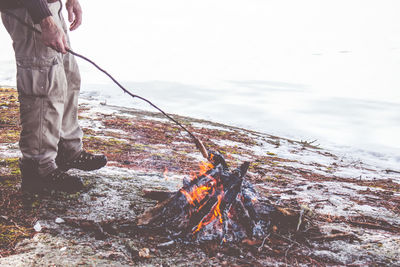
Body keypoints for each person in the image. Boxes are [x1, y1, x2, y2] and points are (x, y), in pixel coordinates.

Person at [0, 0, 107, 193]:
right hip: (29, 10)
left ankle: (66, 149)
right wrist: (45, 21)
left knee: (68, 77)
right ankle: (38, 167)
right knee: (43, 86)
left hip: (48, 8)